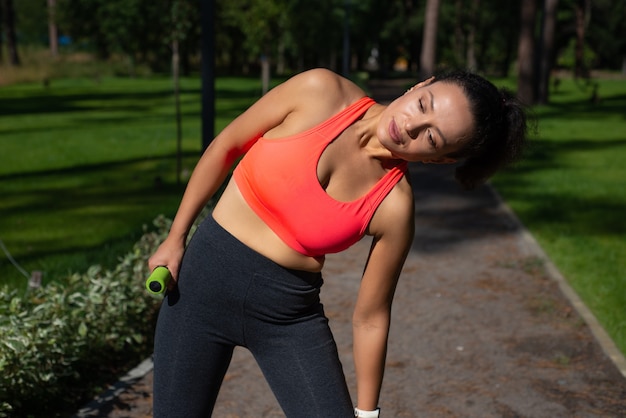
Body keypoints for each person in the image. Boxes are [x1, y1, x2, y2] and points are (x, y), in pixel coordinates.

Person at [148, 68, 528, 417]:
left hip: (286, 316)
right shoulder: (320, 91)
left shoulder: (394, 207)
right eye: (422, 105)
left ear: (442, 159)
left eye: (431, 136)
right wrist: (175, 237)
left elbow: (371, 316)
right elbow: (226, 146)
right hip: (201, 287)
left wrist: (367, 414)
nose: (411, 125)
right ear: (419, 86)